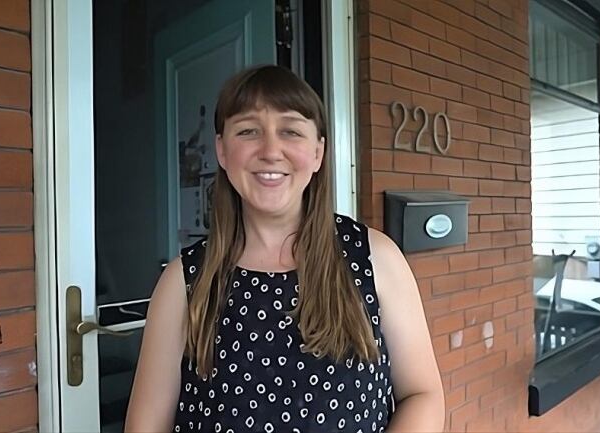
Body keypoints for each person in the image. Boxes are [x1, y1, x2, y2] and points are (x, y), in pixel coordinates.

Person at [125, 65, 444, 432]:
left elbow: (423, 395)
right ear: (222, 151)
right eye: (248, 131)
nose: (271, 151)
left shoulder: (376, 258)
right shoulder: (184, 282)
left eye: (291, 131)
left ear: (318, 152)